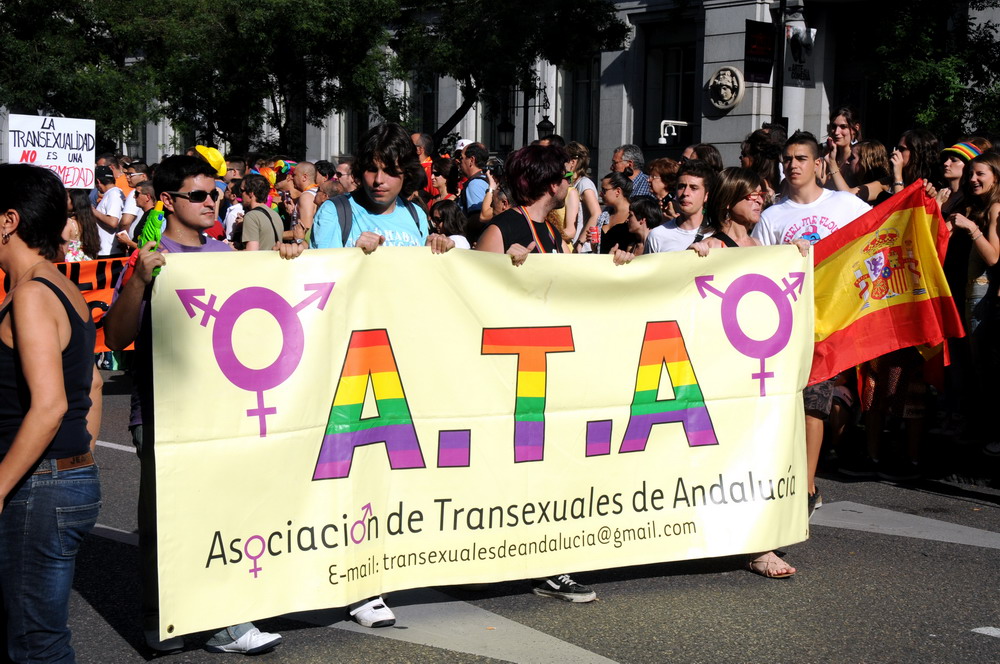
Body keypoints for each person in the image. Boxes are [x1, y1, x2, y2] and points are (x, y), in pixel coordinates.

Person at [103, 155, 295, 654]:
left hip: (222, 414)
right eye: (199, 195)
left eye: (216, 195)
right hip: (164, 415)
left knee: (225, 514)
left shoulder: (224, 255)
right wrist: (142, 281)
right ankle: (161, 616)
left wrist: (291, 260)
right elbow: (117, 335)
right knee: (166, 521)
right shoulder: (149, 255)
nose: (212, 202)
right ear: (168, 202)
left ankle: (227, 619)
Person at [310, 122, 455, 625]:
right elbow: (320, 280)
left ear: (405, 174)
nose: (376, 180)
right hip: (350, 361)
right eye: (370, 169)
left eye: (389, 171)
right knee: (351, 471)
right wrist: (354, 256)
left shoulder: (416, 214)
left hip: (403, 360)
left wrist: (439, 251)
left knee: (391, 471)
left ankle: (378, 568)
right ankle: (355, 582)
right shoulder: (336, 211)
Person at [0, 164, 102, 663]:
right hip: (58, 480)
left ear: (8, 221)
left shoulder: (33, 294)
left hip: (36, 489)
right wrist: (79, 458)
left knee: (36, 645)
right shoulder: (61, 286)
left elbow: (51, 405)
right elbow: (94, 385)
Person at [752, 131, 871, 514]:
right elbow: (756, 266)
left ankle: (805, 487)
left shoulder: (845, 205)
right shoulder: (773, 216)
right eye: (788, 158)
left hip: (833, 319)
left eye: (801, 158)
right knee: (792, 402)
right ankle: (798, 481)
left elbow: (879, 233)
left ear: (818, 164)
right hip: (789, 320)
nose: (793, 165)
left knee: (815, 404)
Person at [689, 167, 798, 578]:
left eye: (762, 194)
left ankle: (761, 545)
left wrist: (798, 256)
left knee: (761, 455)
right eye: (752, 193)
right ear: (729, 197)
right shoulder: (708, 245)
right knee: (719, 457)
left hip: (761, 372)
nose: (760, 199)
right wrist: (690, 264)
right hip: (720, 372)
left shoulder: (766, 248)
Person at [644, 160, 718, 253]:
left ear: (706, 195)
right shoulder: (657, 236)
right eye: (681, 186)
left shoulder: (717, 234)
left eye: (694, 188)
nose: (685, 193)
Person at [828, 140, 893, 204]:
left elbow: (848, 195)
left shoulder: (883, 183)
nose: (847, 161)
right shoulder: (853, 180)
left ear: (865, 161)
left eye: (852, 158)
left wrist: (832, 162)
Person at [566, 142, 602, 248]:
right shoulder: (573, 183)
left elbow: (596, 213)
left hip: (581, 249)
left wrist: (580, 242)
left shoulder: (584, 183)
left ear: (572, 162)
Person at [241, 173, 284, 251]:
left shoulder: (251, 216)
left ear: (251, 193)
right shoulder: (275, 215)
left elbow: (252, 252)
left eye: (242, 190)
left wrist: (231, 250)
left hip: (260, 262)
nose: (240, 194)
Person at [822, 105, 862, 187]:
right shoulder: (826, 154)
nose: (836, 132)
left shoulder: (861, 158)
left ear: (856, 128)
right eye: (834, 126)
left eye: (843, 127)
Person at [595, 172, 633, 254]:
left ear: (618, 191)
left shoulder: (633, 215)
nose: (601, 194)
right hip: (602, 263)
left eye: (604, 190)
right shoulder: (605, 214)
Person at [66, 188, 103, 261]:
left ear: (74, 202)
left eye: (67, 199)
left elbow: (62, 247)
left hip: (71, 263)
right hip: (87, 262)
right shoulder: (90, 222)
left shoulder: (68, 223)